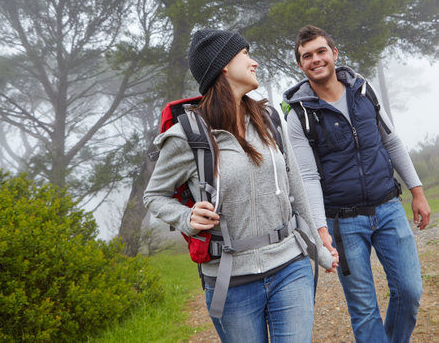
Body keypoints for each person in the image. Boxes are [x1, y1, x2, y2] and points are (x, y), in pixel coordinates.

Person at [144, 28, 338, 342]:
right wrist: (186, 218)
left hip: (290, 265)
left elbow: (296, 187)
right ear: (222, 65)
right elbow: (155, 196)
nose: (255, 63)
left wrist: (319, 249)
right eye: (245, 54)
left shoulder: (269, 118)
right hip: (231, 283)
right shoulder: (186, 136)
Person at [284, 25, 431, 343]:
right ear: (300, 65)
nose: (316, 59)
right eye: (307, 56)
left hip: (390, 208)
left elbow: (391, 142)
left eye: (321, 51)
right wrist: (321, 230)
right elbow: (307, 176)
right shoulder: (299, 116)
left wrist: (417, 191)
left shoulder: (364, 91)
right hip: (343, 223)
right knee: (364, 311)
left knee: (409, 291)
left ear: (334, 54)